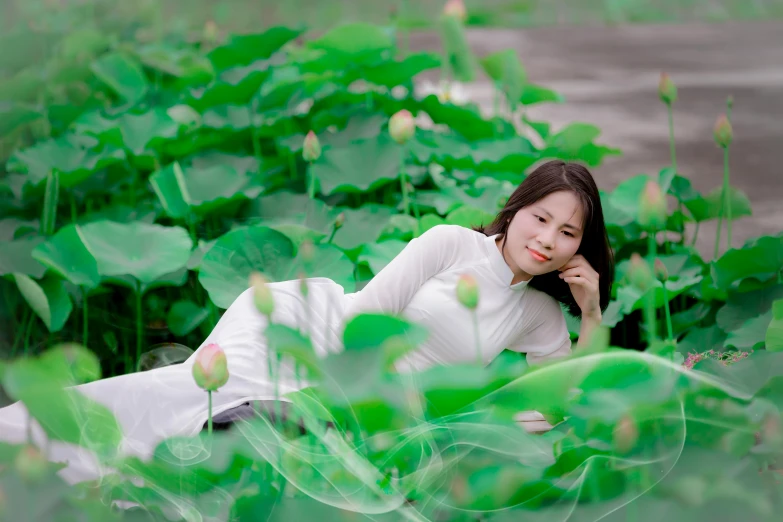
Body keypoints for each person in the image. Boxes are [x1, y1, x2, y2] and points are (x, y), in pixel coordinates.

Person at [0, 159, 614, 485]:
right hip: (317, 339)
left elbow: (552, 403)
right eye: (540, 218)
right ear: (516, 209)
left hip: (389, 406)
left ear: (579, 249)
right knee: (197, 404)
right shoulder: (450, 244)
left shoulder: (536, 314)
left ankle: (173, 464)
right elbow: (367, 321)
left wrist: (589, 313)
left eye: (567, 233)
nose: (546, 240)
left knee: (263, 443)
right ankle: (79, 446)